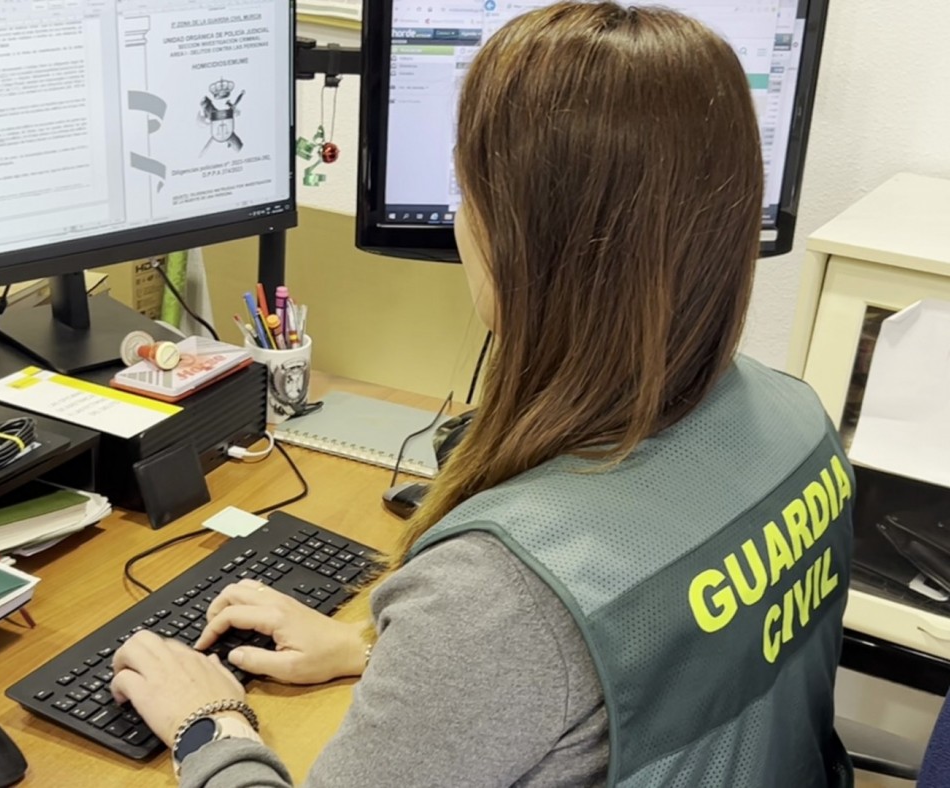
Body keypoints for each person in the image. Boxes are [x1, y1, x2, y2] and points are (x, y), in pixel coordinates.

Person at [110, 3, 856, 786]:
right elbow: (662, 666)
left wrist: (210, 727)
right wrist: (379, 650)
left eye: (468, 189)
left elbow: (523, 640)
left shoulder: (496, 593)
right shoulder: (795, 417)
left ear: (511, 238)